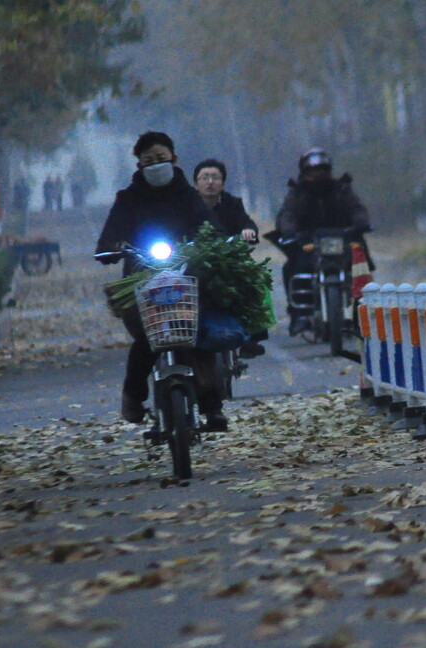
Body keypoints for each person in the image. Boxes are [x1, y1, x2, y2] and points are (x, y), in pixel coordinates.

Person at [95, 131, 228, 430]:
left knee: (195, 335)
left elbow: (211, 228)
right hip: (142, 279)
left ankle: (212, 406)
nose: (155, 165)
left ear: (174, 159)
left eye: (161, 158)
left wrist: (211, 242)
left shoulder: (188, 196)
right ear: (139, 165)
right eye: (148, 161)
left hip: (186, 276)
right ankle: (133, 395)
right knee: (147, 339)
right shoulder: (127, 199)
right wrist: (111, 249)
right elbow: (109, 238)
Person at [272, 147, 371, 334]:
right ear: (305, 172)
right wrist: (289, 231)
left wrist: (361, 223)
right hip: (309, 241)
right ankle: (299, 314)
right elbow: (287, 214)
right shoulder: (297, 192)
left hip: (342, 239)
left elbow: (356, 208)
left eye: (322, 170)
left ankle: (364, 310)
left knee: (361, 264)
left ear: (329, 170)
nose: (318, 174)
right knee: (293, 267)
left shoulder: (341, 188)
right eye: (313, 170)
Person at [193, 158, 266, 357]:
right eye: (204, 177)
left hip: (227, 261)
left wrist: (249, 231)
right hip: (194, 263)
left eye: (215, 178)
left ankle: (251, 336)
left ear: (223, 183)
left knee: (253, 280)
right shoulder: (187, 206)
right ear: (195, 184)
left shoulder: (233, 204)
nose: (210, 182)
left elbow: (246, 222)